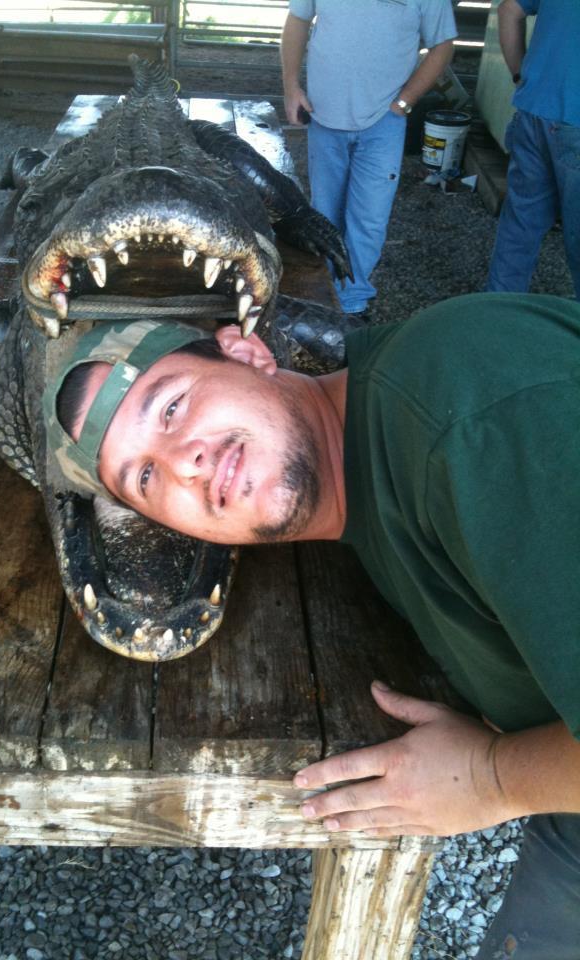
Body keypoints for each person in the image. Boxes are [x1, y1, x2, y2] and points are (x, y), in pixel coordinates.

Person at [44, 294, 580, 958]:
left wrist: (492, 779)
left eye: (173, 407)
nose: (185, 462)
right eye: (146, 477)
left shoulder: (468, 410)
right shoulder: (368, 455)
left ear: (247, 352)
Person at [280, 1, 456, 317]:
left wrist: (404, 102)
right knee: (325, 211)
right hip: (324, 114)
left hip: (384, 121)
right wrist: (291, 87)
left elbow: (442, 46)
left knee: (369, 216)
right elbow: (297, 20)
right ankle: (323, 293)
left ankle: (351, 302)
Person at [487, 0, 580, 300]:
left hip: (534, 111)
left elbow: (508, 10)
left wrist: (520, 76)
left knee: (520, 226)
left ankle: (497, 312)